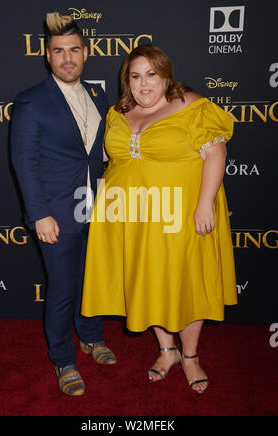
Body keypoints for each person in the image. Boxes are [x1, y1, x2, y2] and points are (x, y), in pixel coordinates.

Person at [81, 45, 237, 394]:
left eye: (151, 74)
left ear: (166, 75)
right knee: (150, 280)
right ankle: (167, 351)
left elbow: (216, 153)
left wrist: (204, 205)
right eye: (135, 76)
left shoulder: (191, 106)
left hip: (181, 216)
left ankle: (191, 356)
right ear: (127, 81)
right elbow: (109, 156)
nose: (144, 84)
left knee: (187, 282)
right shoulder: (118, 112)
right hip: (131, 216)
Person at [11, 12, 116, 397]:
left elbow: (96, 148)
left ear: (86, 53)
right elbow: (25, 162)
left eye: (74, 50)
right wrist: (39, 213)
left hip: (94, 205)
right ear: (47, 55)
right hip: (55, 211)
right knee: (61, 289)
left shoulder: (97, 94)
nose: (67, 58)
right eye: (59, 51)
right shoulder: (31, 101)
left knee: (93, 280)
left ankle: (91, 336)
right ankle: (63, 358)